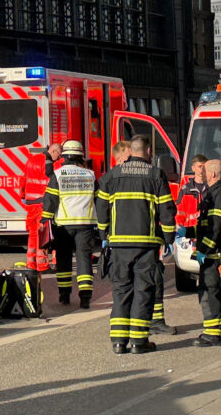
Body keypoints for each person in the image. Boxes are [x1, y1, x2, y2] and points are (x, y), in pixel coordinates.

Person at [96, 135, 176, 354]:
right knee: (143, 291)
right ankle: (139, 342)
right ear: (148, 151)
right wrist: (169, 238)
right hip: (146, 244)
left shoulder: (111, 175)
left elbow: (101, 208)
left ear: (130, 151)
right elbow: (167, 210)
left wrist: (104, 235)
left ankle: (118, 342)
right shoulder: (155, 174)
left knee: (121, 291)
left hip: (119, 245)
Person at [179, 159, 221, 347]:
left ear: (212, 174)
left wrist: (203, 250)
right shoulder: (216, 193)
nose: (201, 173)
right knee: (217, 291)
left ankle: (213, 333)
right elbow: (207, 226)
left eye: (205, 171)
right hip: (215, 252)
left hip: (214, 254)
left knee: (210, 291)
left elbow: (216, 228)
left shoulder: (218, 195)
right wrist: (187, 232)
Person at [41, 140, 97, 309]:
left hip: (63, 226)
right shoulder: (91, 175)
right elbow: (99, 199)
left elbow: (50, 200)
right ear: (81, 156)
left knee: (64, 261)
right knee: (84, 260)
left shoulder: (57, 175)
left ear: (64, 157)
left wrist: (44, 221)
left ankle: (64, 295)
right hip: (85, 225)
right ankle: (85, 297)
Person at [20, 153, 50, 272]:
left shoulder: (31, 160)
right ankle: (42, 264)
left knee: (33, 233)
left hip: (30, 203)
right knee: (42, 232)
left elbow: (23, 178)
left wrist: (22, 195)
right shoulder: (50, 163)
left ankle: (31, 263)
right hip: (42, 202)